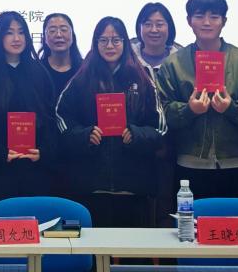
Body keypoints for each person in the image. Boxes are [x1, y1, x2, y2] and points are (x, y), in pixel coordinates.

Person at [156, 0, 238, 200]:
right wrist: (189, 110)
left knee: (236, 220)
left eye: (214, 17)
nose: (207, 23)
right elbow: (161, 115)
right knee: (191, 221)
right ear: (189, 20)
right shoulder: (173, 64)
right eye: (199, 16)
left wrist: (231, 108)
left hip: (237, 164)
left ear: (224, 21)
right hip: (189, 164)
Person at [56, 16, 165, 228]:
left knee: (132, 248)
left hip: (133, 188)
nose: (109, 46)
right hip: (90, 187)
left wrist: (137, 134)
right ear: (95, 43)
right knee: (93, 247)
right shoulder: (81, 78)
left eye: (116, 40)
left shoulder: (142, 79)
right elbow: (61, 120)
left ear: (125, 43)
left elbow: (160, 128)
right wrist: (85, 135)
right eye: (103, 40)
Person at [0, 11, 57, 211]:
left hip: (35, 171)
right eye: (9, 33)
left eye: (21, 32)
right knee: (2, 225)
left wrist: (43, 152)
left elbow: (51, 121)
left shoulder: (39, 72)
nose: (16, 38)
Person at [130, 2, 182, 227]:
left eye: (160, 24)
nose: (154, 30)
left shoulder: (182, 60)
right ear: (139, 28)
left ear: (169, 27)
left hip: (175, 145)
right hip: (136, 142)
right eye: (148, 24)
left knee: (167, 206)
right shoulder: (127, 60)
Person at [38, 12, 83, 100]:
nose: (58, 35)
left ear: (72, 36)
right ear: (45, 38)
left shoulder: (84, 69)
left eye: (64, 30)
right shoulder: (37, 69)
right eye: (52, 31)